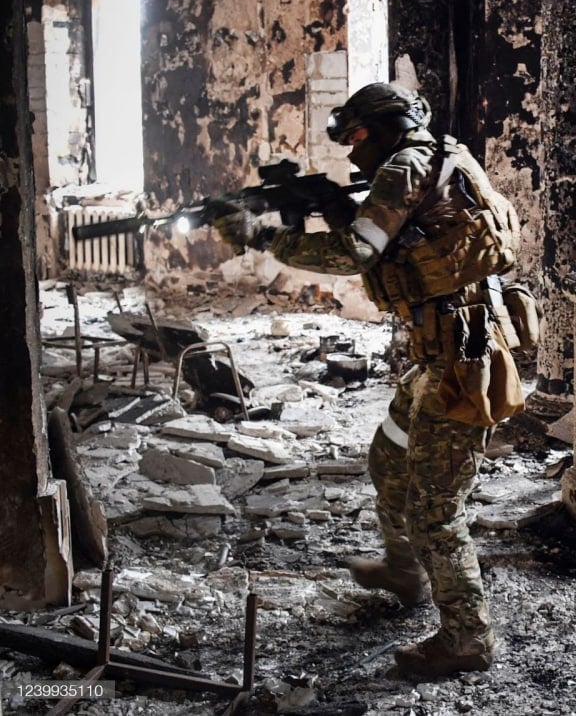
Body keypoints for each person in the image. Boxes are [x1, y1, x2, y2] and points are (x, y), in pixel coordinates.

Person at [212, 82, 523, 679]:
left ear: (391, 125)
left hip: (463, 360)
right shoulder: (438, 156)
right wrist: (329, 202)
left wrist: (259, 236)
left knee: (437, 509)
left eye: (358, 136)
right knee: (388, 458)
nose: (354, 153)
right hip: (443, 354)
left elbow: (355, 253)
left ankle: (468, 638)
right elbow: (402, 241)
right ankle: (405, 572)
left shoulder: (404, 166)